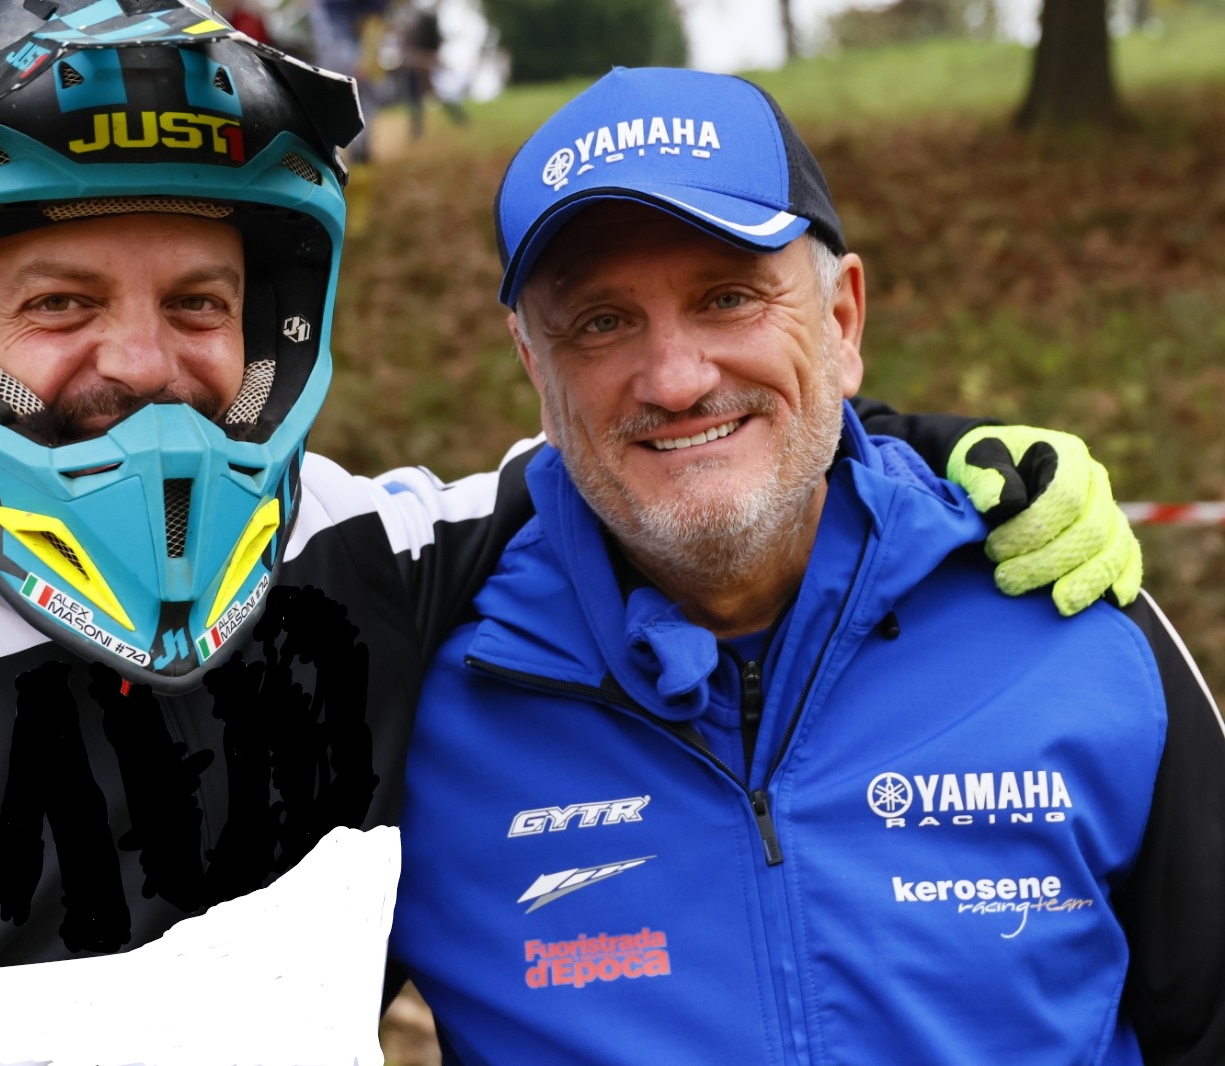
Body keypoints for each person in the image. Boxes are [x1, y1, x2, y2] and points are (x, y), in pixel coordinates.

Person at [0, 5, 1139, 1059]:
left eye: (201, 302)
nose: (145, 363)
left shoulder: (375, 573)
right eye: (61, 301)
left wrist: (954, 464)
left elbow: (670, 452)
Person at [389, 67, 1224, 1064]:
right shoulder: (421, 702)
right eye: (601, 322)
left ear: (841, 321)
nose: (675, 380)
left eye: (728, 298)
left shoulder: (1069, 621)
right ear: (535, 365)